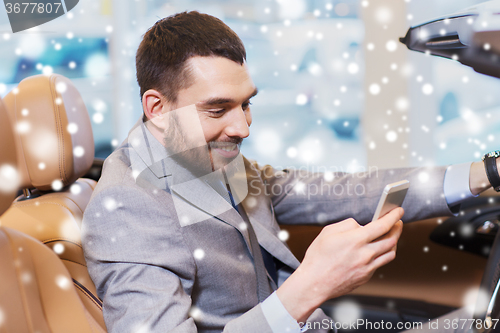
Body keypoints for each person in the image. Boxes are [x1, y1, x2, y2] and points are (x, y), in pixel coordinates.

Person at [81, 11, 497, 333]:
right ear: (157, 108)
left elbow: (330, 190)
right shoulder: (125, 207)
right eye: (217, 109)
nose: (243, 127)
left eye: (245, 103)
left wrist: (484, 173)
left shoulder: (199, 153)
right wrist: (310, 287)